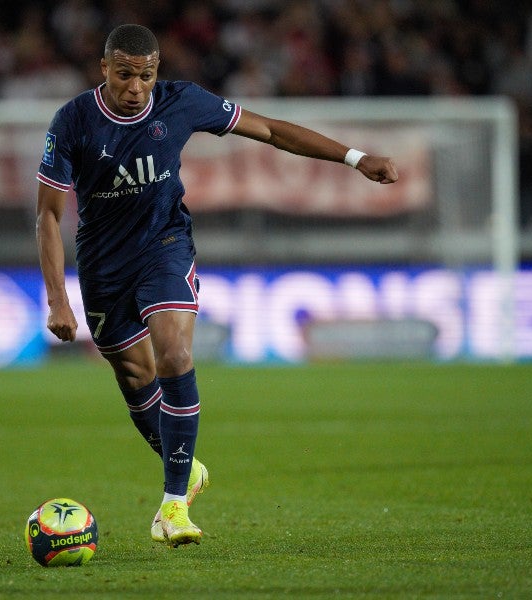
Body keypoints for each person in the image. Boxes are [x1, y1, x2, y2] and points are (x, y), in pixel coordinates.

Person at [35, 24, 398, 548]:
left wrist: (355, 158)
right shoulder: (72, 122)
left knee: (175, 355)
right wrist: (58, 300)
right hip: (103, 267)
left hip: (166, 246)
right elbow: (48, 216)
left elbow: (270, 130)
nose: (136, 87)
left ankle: (172, 506)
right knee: (136, 379)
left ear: (157, 72)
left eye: (146, 75)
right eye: (125, 76)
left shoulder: (181, 102)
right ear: (104, 70)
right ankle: (186, 467)